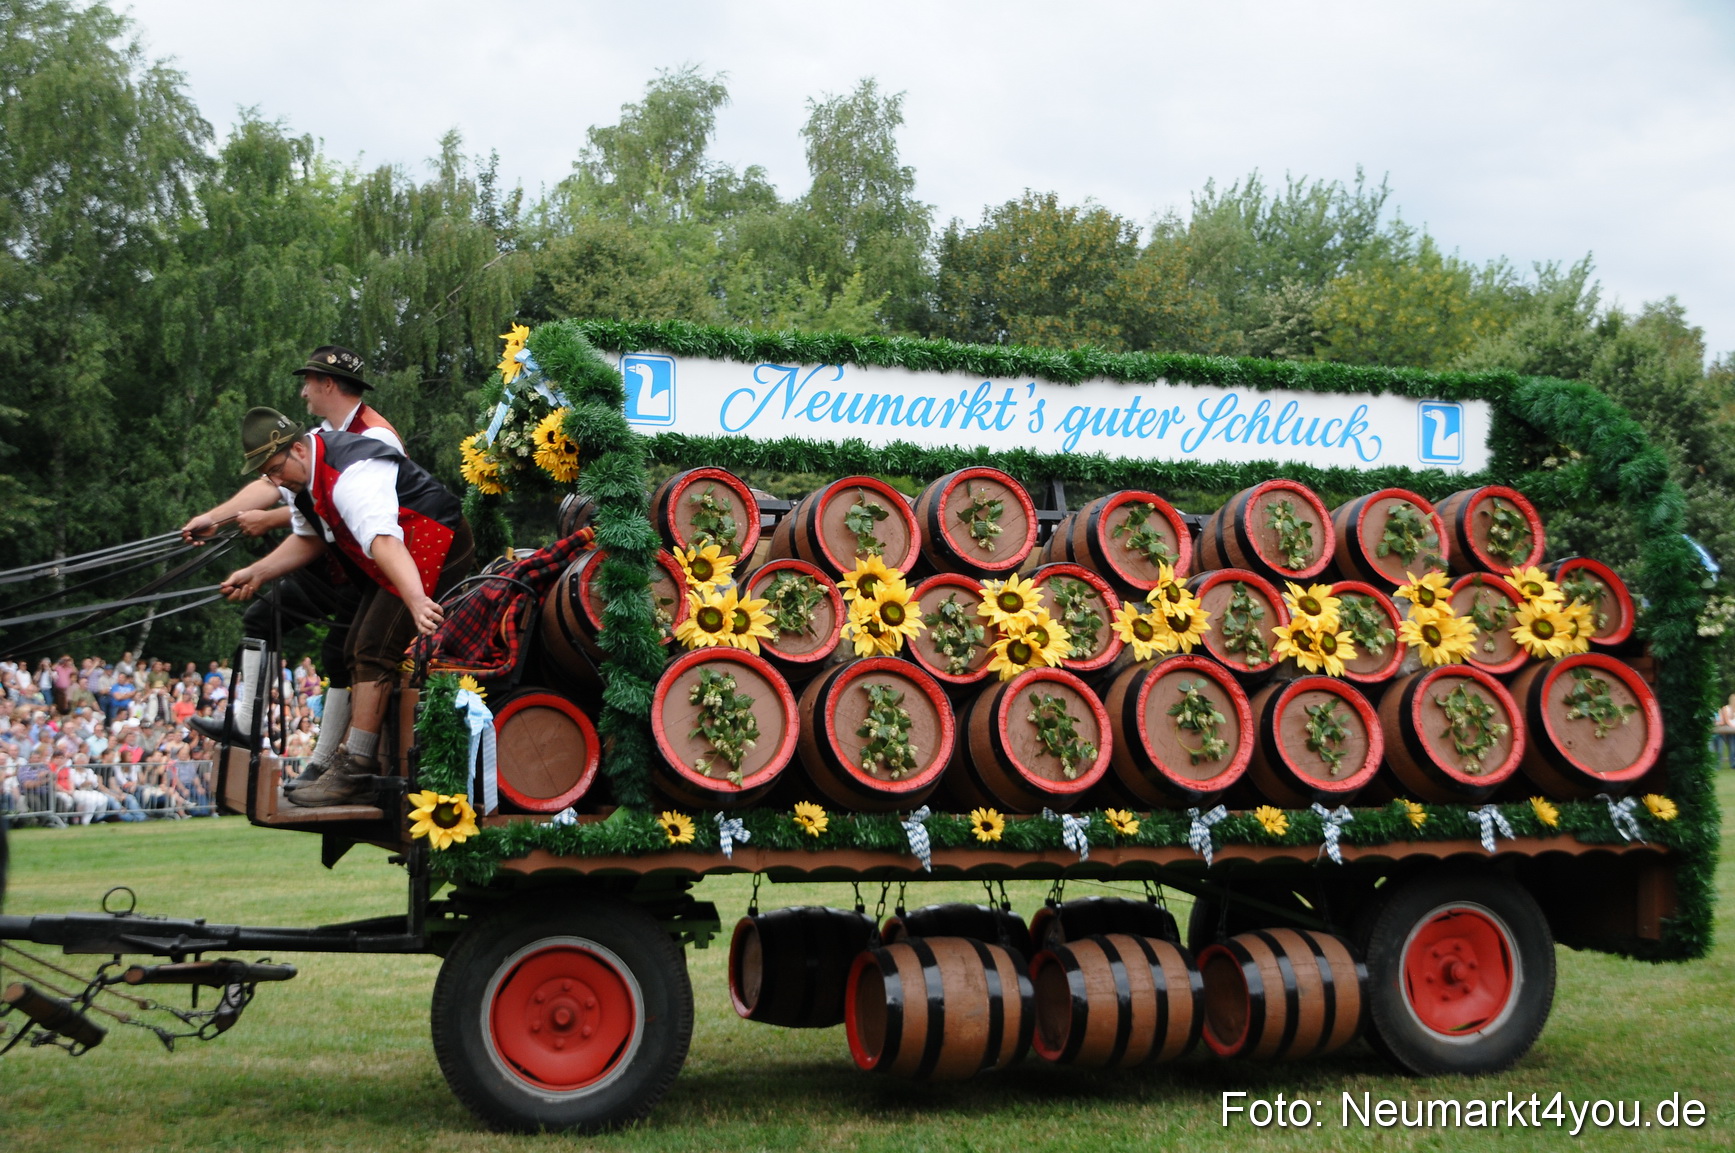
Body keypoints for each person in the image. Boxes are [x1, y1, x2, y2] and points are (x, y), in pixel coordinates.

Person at [218, 408, 474, 807]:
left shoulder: (353, 475)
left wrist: (417, 599)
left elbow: (385, 541)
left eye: (275, 469)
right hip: (395, 552)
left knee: (373, 648)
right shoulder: (303, 479)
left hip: (434, 541)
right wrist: (258, 573)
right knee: (353, 644)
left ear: (298, 450)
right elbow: (310, 539)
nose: (275, 481)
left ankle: (356, 767)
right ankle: (345, 760)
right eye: (268, 475)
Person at [180, 346, 403, 776]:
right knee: (262, 619)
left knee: (339, 655)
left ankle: (321, 763)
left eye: (307, 383)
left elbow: (362, 512)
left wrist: (269, 523)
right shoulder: (319, 437)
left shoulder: (376, 438)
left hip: (367, 567)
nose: (303, 392)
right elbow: (276, 485)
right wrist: (215, 518)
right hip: (331, 559)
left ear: (328, 384)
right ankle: (245, 723)